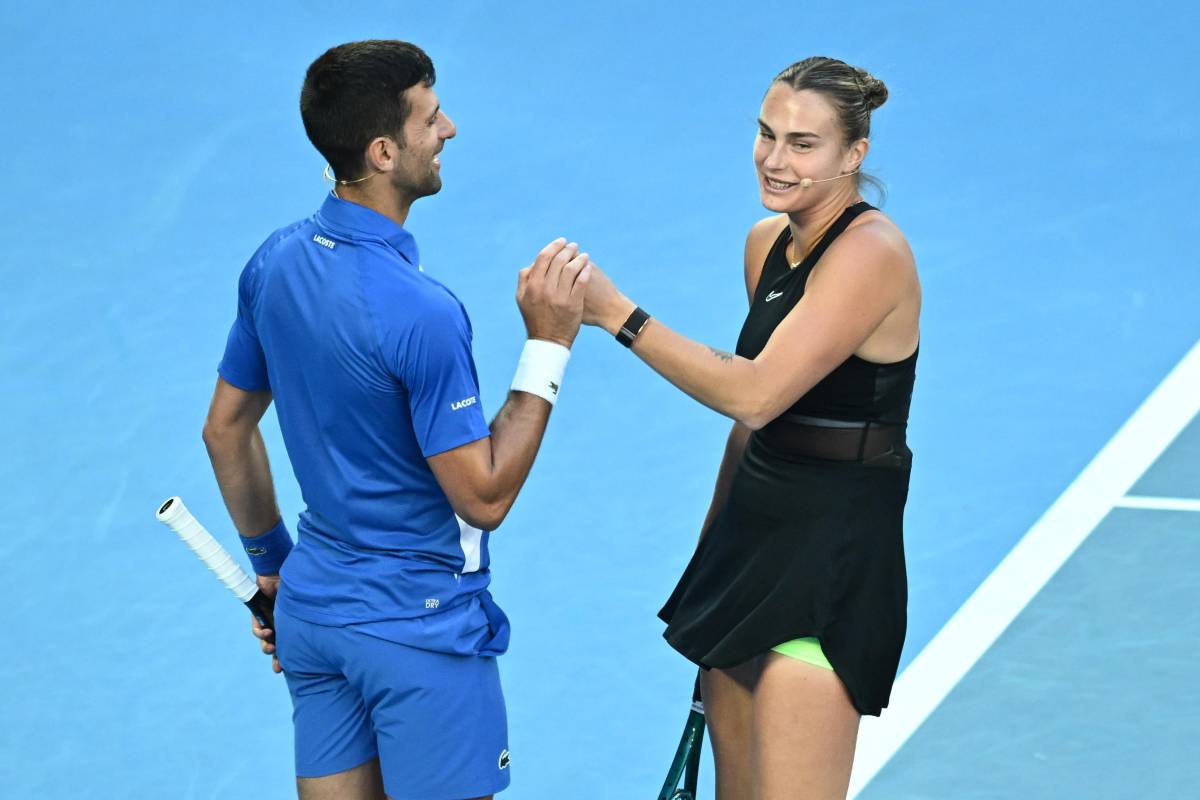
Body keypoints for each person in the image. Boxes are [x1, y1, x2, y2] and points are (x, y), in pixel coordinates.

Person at [201, 40, 590, 800]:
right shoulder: (423, 313)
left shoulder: (273, 263)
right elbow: (483, 497)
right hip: (419, 632)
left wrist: (274, 565)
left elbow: (225, 429)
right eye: (430, 117)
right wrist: (548, 345)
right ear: (383, 152)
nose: (449, 129)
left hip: (316, 618)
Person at [579, 56, 920, 799]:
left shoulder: (874, 254)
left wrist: (617, 315)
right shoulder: (765, 244)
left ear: (853, 155)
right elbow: (758, 425)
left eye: (804, 144)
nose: (775, 159)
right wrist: (713, 548)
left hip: (833, 561)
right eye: (767, 134)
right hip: (750, 546)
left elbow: (757, 394)